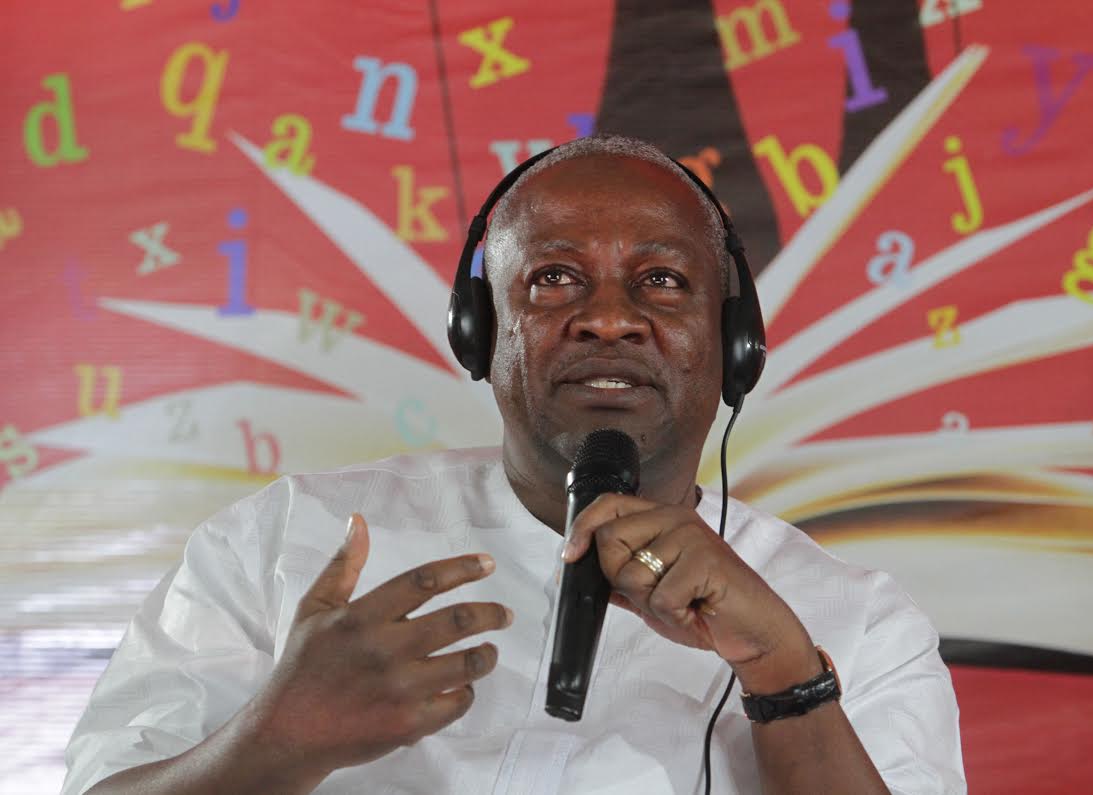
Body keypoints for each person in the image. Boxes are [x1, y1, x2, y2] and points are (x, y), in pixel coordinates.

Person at [62, 135, 966, 794]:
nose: (607, 318)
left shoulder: (861, 623)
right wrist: (279, 737)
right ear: (480, 332)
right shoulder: (285, 540)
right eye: (553, 278)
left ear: (733, 344)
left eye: (661, 280)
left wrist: (785, 675)